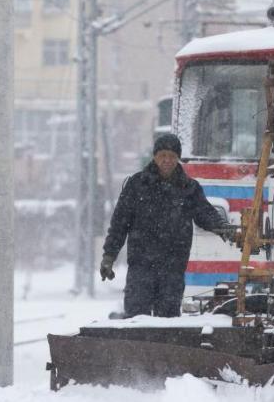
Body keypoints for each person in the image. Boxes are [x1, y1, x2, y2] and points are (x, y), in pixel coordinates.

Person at [99, 133, 236, 317]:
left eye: (171, 156)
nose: (167, 160)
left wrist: (222, 228)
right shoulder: (136, 185)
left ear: (177, 158)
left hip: (173, 269)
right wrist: (109, 256)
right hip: (141, 267)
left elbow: (205, 213)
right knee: (136, 321)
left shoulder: (189, 188)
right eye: (162, 155)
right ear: (154, 157)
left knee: (168, 324)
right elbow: (119, 224)